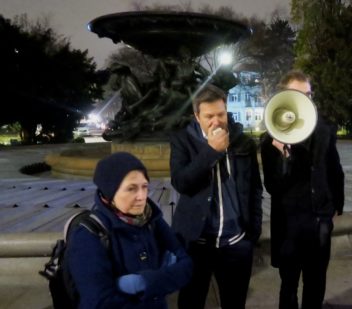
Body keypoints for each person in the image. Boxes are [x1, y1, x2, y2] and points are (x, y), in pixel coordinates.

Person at [169, 84, 263, 309]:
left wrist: (253, 231)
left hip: (236, 244)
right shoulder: (183, 140)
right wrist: (211, 151)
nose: (216, 121)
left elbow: (255, 189)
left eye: (220, 114)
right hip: (197, 243)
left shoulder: (242, 141)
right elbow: (181, 182)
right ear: (197, 116)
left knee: (235, 302)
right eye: (209, 116)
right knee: (191, 301)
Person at [260, 70, 345, 309]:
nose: (305, 100)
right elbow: (273, 186)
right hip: (289, 227)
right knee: (288, 286)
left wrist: (336, 207)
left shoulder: (324, 131)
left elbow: (335, 170)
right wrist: (283, 156)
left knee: (316, 283)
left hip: (319, 222)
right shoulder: (270, 142)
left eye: (308, 94)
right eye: (299, 94)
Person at [67, 152, 193, 309]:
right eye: (131, 189)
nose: (141, 196)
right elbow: (99, 302)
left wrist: (142, 283)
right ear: (108, 194)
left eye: (145, 186)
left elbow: (187, 267)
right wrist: (165, 278)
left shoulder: (152, 219)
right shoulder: (89, 233)